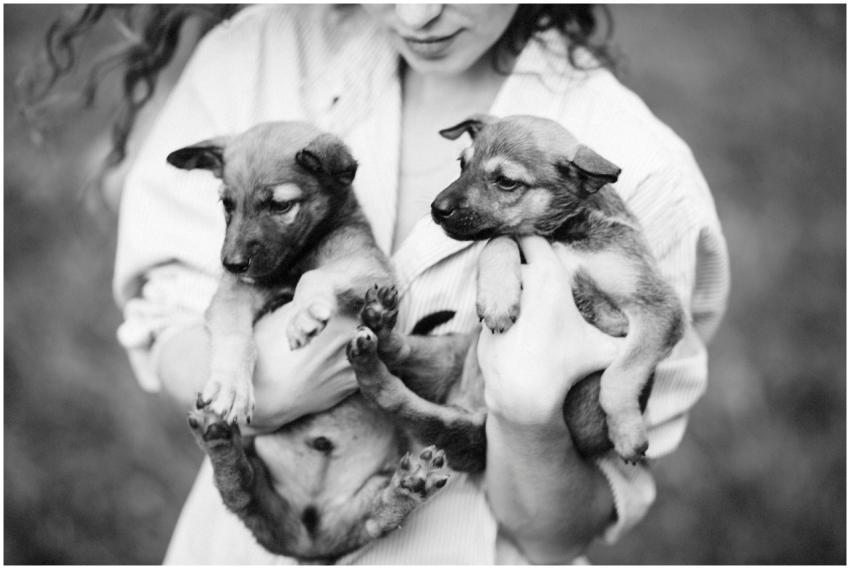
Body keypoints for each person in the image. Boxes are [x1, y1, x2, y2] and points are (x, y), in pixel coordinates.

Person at [103, 4, 729, 564]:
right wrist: (261, 389)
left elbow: (561, 533)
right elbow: (166, 311)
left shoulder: (646, 174)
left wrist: (529, 416)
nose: (417, 13)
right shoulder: (259, 50)